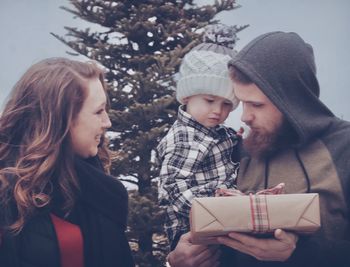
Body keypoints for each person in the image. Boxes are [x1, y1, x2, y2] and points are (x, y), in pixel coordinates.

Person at [167, 31, 350, 267]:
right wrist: (176, 261)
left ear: (292, 100)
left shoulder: (344, 147)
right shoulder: (237, 151)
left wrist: (297, 254)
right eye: (242, 103)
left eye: (256, 104)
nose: (244, 116)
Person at [0, 58, 134, 267]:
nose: (107, 122)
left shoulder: (100, 188)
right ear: (61, 119)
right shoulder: (7, 191)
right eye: (98, 111)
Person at [156, 25, 242, 252]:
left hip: (223, 223)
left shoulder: (220, 133)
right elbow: (173, 186)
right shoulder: (184, 136)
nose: (218, 111)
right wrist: (212, 211)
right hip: (192, 228)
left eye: (226, 104)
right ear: (188, 95)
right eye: (210, 100)